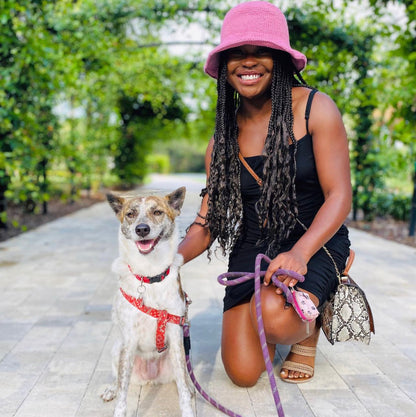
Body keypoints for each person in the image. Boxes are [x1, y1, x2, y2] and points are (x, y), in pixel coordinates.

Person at [178, 1, 352, 386]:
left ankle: (307, 328)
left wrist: (300, 253)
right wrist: (166, 262)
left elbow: (340, 195)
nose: (248, 61)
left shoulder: (315, 109)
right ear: (224, 66)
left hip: (313, 238)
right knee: (242, 374)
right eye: (236, 53)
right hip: (254, 244)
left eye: (260, 51)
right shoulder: (220, 141)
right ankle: (282, 312)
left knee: (275, 318)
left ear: (280, 58)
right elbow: (206, 224)